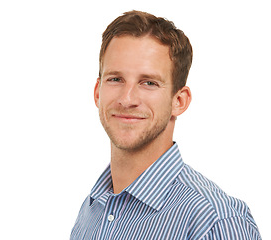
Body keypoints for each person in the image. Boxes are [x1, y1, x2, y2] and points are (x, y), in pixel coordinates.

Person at [70, 10, 261, 239]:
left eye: (149, 83)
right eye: (115, 79)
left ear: (179, 101)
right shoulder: (92, 209)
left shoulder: (215, 221)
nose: (127, 99)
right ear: (97, 93)